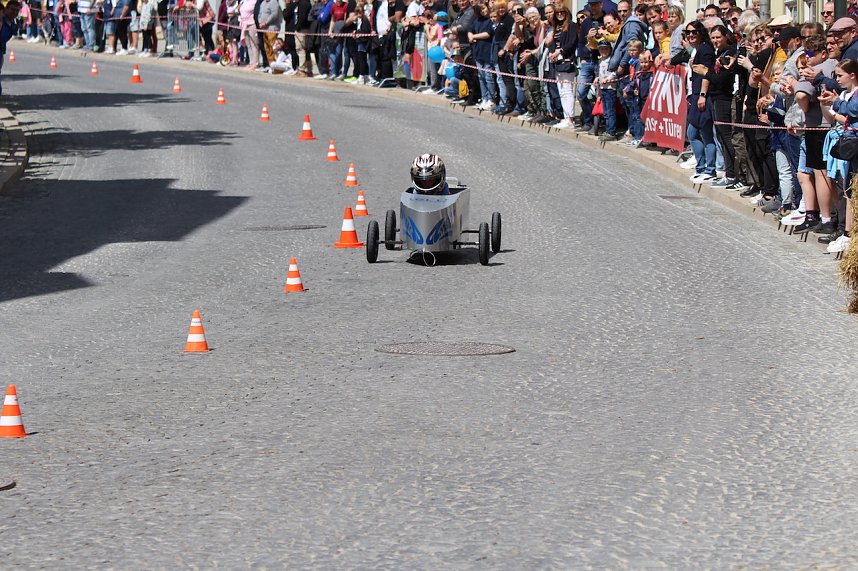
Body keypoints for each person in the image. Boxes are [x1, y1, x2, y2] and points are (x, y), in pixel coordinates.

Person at [0, 0, 21, 98]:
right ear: (6, 9)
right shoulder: (1, 19)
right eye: (12, 9)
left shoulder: (13, 23)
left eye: (17, 11)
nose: (15, 13)